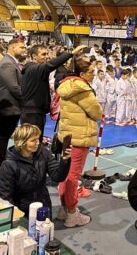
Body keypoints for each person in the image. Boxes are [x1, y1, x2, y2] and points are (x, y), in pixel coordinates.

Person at [56, 55, 102, 227]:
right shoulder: (82, 89)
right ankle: (72, 213)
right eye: (91, 72)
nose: (94, 75)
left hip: (68, 137)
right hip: (79, 137)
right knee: (72, 177)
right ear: (82, 74)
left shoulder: (66, 85)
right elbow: (96, 113)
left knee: (64, 175)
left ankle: (63, 208)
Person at [0, 124, 71, 216]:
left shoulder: (43, 152)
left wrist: (64, 160)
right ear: (21, 142)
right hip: (21, 211)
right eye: (33, 140)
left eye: (38, 139)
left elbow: (57, 176)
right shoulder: (8, 165)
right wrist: (16, 217)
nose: (38, 143)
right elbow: (5, 197)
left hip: (43, 206)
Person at [21, 44, 79, 137]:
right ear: (34, 56)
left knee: (33, 140)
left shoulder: (32, 68)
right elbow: (50, 65)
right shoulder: (34, 68)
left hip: (34, 111)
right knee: (32, 141)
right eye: (43, 54)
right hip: (32, 114)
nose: (47, 56)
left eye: (47, 54)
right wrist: (70, 53)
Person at [0, 39, 27, 176]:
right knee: (3, 135)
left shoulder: (11, 62)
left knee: (4, 135)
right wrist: (26, 100)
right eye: (21, 47)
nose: (24, 49)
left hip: (11, 105)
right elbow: (14, 87)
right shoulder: (7, 63)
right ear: (12, 47)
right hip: (9, 105)